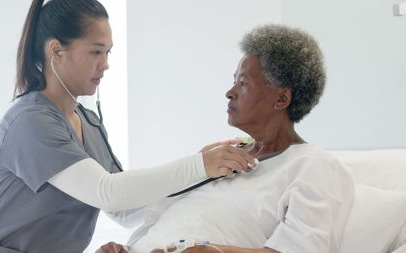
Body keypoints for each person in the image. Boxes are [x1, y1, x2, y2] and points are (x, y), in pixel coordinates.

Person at [0, 1, 255, 252]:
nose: (106, 63)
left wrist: (201, 170)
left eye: (108, 52)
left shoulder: (88, 123)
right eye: (96, 52)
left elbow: (126, 210)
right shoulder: (29, 122)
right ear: (57, 51)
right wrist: (200, 165)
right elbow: (107, 192)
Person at [96, 24, 355, 253]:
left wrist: (215, 252)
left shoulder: (313, 166)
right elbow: (157, 223)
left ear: (281, 99)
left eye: (243, 83)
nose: (229, 92)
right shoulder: (220, 157)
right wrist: (124, 249)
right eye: (234, 81)